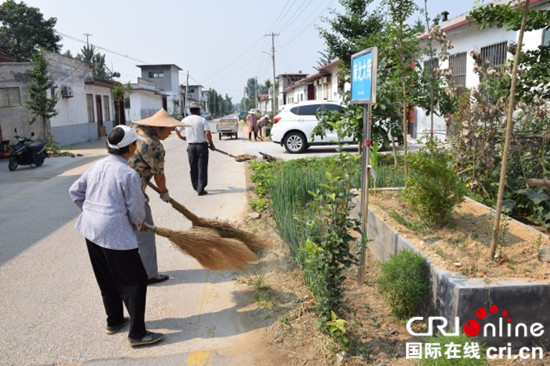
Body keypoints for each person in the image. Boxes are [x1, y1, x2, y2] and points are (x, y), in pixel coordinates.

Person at [68, 125, 164, 347]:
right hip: (115, 234)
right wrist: (138, 223)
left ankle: (115, 320)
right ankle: (137, 334)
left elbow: (75, 192)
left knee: (106, 276)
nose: (136, 146)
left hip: (91, 229)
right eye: (135, 143)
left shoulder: (97, 165)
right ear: (129, 147)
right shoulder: (128, 173)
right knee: (137, 280)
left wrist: (92, 211)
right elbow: (136, 209)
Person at [129, 109, 182, 285]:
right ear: (158, 128)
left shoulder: (135, 130)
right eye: (169, 129)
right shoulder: (155, 145)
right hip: (134, 192)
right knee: (145, 234)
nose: (171, 132)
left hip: (118, 186)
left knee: (129, 235)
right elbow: (159, 175)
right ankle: (149, 274)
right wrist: (164, 192)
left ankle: (132, 271)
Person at [176, 102, 215, 196]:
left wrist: (181, 137)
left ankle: (196, 186)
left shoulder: (185, 120)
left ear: (190, 110)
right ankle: (201, 188)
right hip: (202, 147)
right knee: (202, 167)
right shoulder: (202, 120)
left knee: (193, 167)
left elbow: (177, 129)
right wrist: (212, 144)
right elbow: (207, 133)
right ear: (198, 110)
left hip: (191, 147)